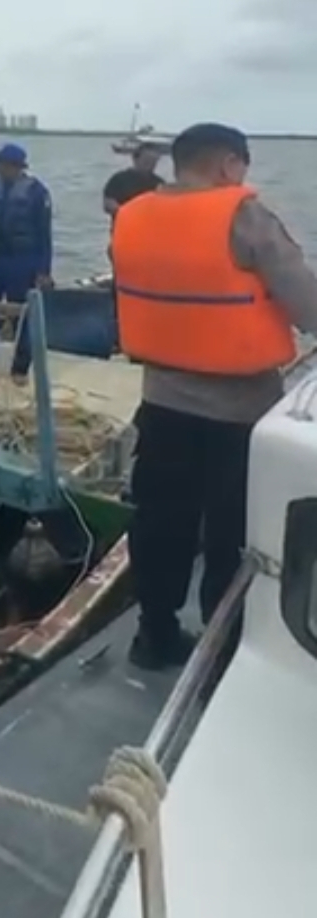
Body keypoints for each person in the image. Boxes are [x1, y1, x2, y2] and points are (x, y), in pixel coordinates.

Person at [112, 122, 317, 671]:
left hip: (161, 403)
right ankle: (224, 649)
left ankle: (153, 635)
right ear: (229, 164)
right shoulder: (245, 216)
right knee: (233, 534)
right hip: (239, 412)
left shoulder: (131, 215)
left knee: (160, 523)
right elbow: (308, 305)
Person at [0, 143, 53, 385]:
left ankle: (20, 369)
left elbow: (44, 235)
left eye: (2, 163)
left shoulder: (37, 193)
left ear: (15, 166)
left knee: (22, 315)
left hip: (23, 259)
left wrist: (44, 271)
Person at [102, 142, 164, 220]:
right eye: (146, 160)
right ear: (135, 159)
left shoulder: (159, 183)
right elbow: (108, 203)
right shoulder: (119, 179)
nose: (150, 164)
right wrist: (126, 213)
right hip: (124, 225)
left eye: (154, 161)